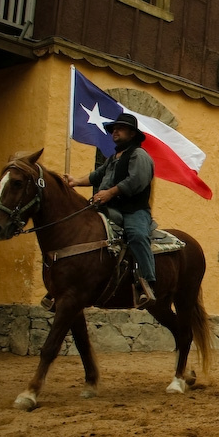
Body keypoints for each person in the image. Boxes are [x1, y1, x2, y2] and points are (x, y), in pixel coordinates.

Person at [65, 112, 157, 308]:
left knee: (137, 235)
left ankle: (146, 283)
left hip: (133, 210)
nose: (115, 131)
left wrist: (109, 193)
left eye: (120, 129)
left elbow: (136, 181)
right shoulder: (113, 158)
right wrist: (75, 182)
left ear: (132, 133)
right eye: (114, 129)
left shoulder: (139, 155)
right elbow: (96, 176)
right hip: (110, 208)